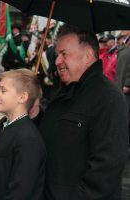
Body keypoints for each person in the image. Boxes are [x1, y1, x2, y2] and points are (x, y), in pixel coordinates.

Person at [39, 25, 129, 200]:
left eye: (64, 54)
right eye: (57, 54)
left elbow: (106, 169)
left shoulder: (109, 98)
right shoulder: (66, 91)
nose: (57, 61)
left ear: (88, 55)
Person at [0, 68, 46, 200]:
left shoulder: (28, 139)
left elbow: (20, 191)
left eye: (3, 90)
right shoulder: (6, 126)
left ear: (22, 97)